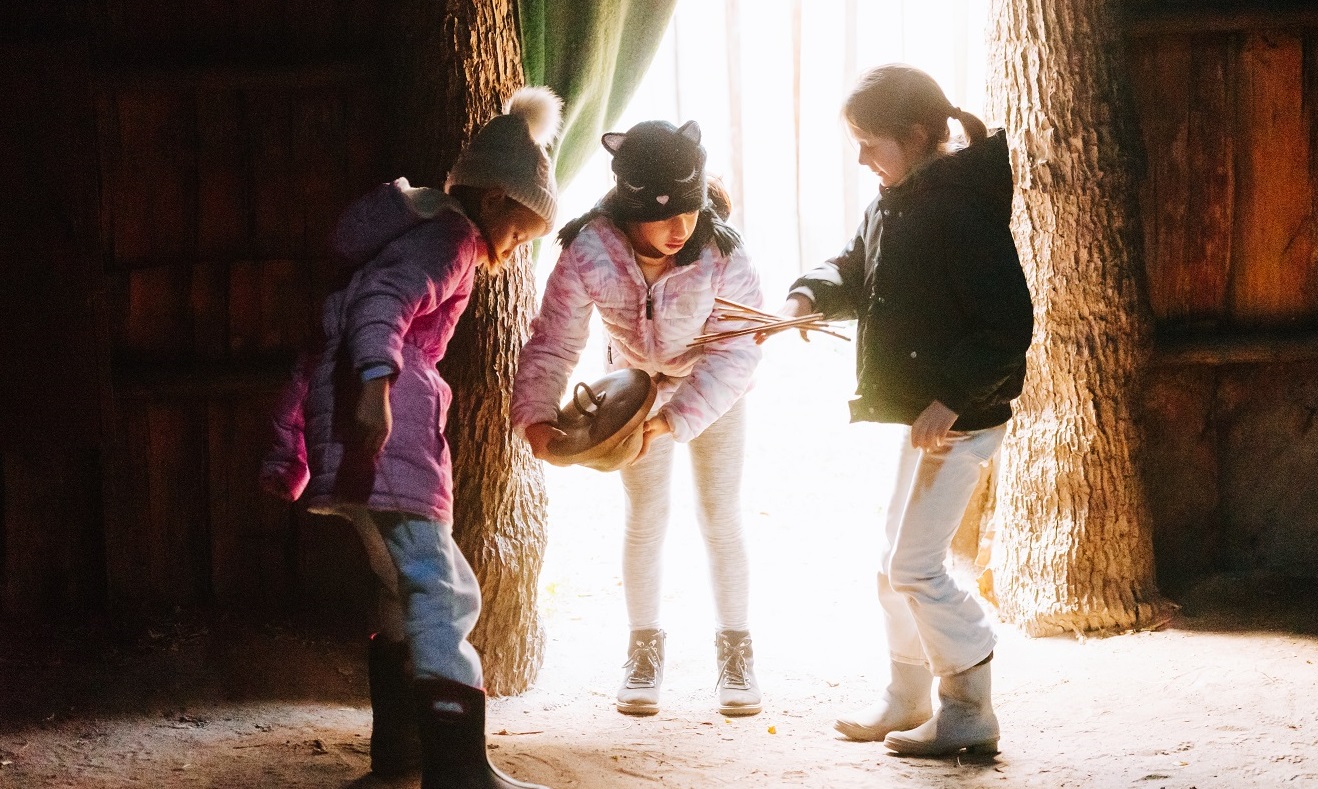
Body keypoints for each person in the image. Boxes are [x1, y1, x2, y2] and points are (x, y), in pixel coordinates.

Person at [260, 86, 562, 789]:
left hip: (353, 438)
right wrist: (377, 383)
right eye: (521, 229)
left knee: (397, 587)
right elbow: (382, 304)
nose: (515, 246)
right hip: (389, 432)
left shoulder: (405, 235)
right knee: (442, 589)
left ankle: (401, 755)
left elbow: (323, 339)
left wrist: (294, 445)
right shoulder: (452, 236)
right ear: (495, 202)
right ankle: (458, 771)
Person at [760, 64, 1033, 756]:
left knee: (914, 567)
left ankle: (969, 707)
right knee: (891, 566)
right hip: (928, 415)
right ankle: (905, 696)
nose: (859, 159)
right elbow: (856, 268)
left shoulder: (960, 209)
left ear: (913, 136)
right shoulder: (896, 198)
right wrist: (805, 297)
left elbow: (1005, 325)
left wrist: (950, 398)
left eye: (868, 143)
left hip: (961, 420)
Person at [510, 119, 765, 717]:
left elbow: (739, 348)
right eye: (664, 214)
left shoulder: (723, 254)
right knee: (645, 516)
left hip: (714, 390)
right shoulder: (588, 251)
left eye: (692, 209)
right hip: (632, 393)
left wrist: (679, 420)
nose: (682, 228)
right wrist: (536, 416)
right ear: (628, 206)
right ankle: (643, 652)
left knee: (719, 514)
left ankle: (736, 652)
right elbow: (553, 340)